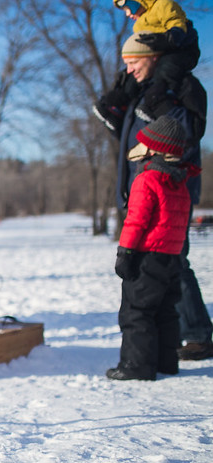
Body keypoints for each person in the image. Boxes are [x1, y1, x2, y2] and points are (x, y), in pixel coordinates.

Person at [105, 33, 212, 361]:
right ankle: (171, 338)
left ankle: (195, 334)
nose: (130, 69)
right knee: (160, 265)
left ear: (153, 57)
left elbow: (184, 132)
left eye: (134, 61)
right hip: (144, 184)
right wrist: (113, 107)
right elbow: (134, 134)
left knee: (173, 260)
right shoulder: (144, 90)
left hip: (169, 186)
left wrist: (158, 100)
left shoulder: (180, 85)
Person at [108, 116, 199, 380]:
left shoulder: (147, 179)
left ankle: (136, 366)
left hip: (146, 257)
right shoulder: (180, 182)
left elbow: (136, 221)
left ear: (154, 149)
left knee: (136, 311)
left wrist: (125, 253)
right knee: (165, 311)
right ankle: (166, 361)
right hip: (171, 257)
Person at [94, 0, 200, 130]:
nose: (127, 14)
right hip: (158, 54)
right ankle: (119, 109)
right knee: (129, 78)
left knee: (166, 69)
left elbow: (176, 22)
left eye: (128, 8)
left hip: (181, 49)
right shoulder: (138, 25)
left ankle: (157, 102)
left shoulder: (163, 5)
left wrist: (170, 37)